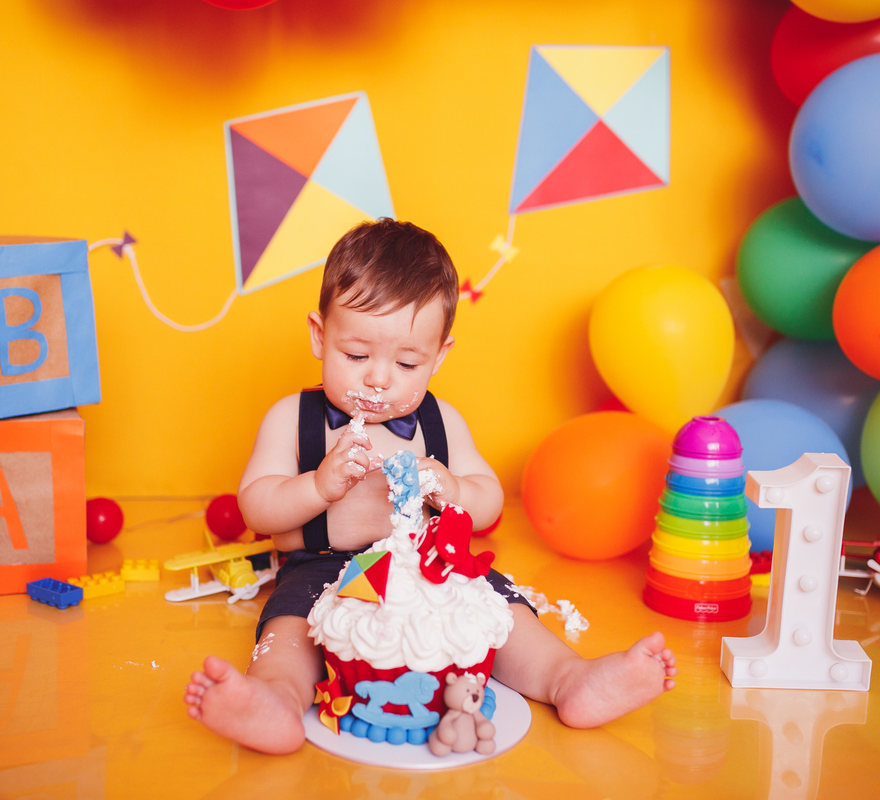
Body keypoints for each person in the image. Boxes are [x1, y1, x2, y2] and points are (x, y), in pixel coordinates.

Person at [184, 219, 676, 754]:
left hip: (433, 566)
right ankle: (274, 699)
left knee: (501, 613)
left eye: (406, 362)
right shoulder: (291, 419)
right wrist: (317, 487)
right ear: (320, 336)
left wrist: (451, 488)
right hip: (323, 569)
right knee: (291, 632)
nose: (378, 378)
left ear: (438, 356)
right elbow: (257, 508)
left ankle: (569, 679)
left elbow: (487, 502)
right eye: (356, 355)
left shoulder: (442, 423)